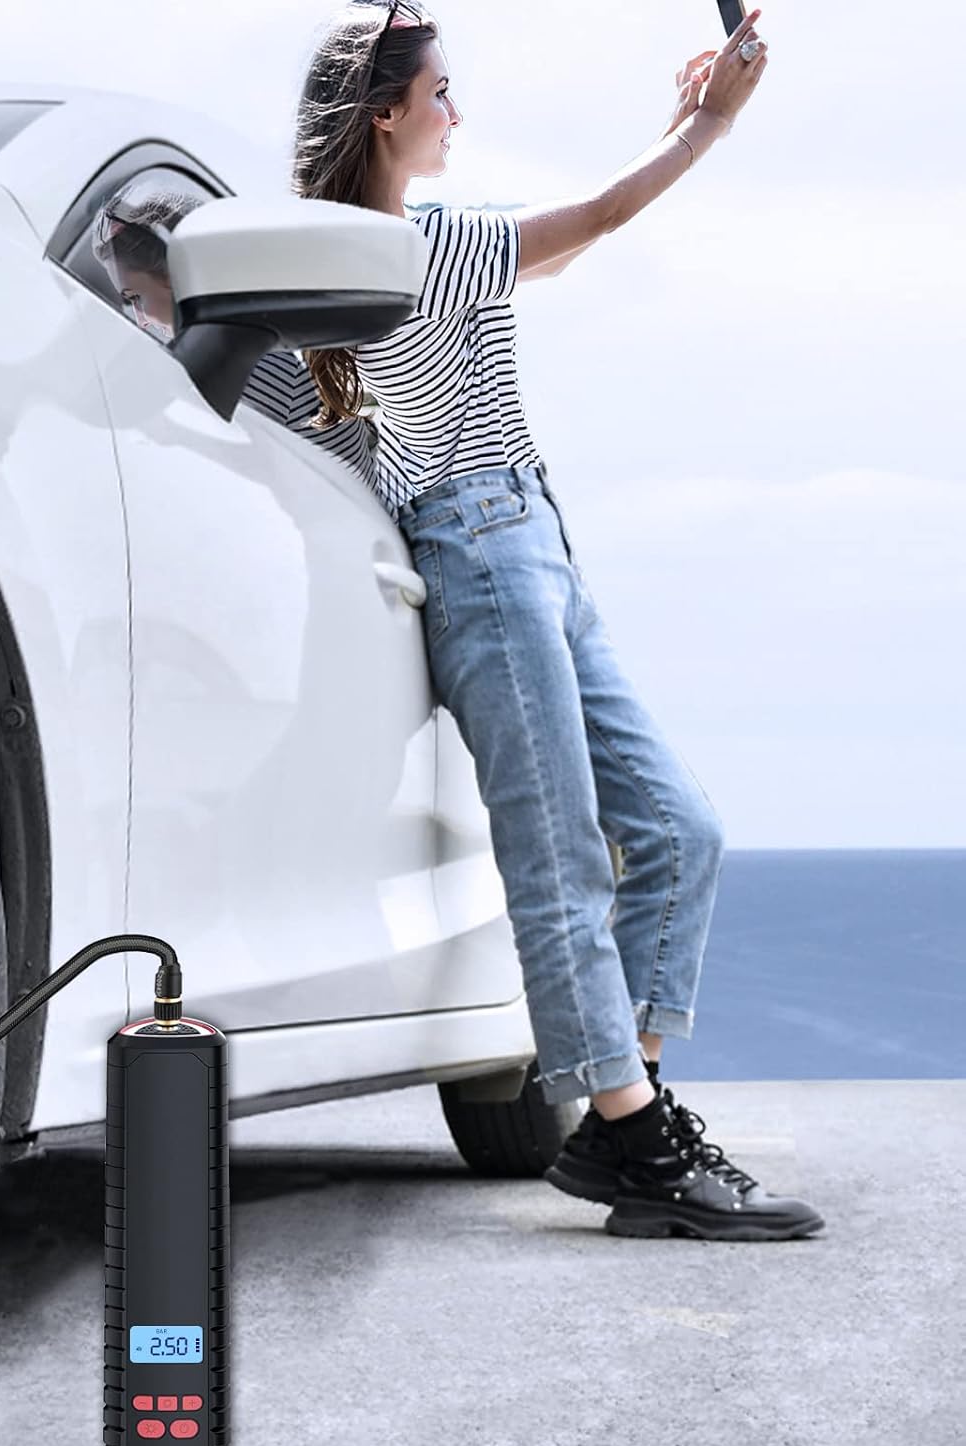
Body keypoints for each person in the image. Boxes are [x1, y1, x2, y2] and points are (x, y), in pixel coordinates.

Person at [291, 1, 823, 1240]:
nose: (455, 113)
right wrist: (709, 125)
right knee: (562, 860)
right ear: (385, 116)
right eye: (438, 96)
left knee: (679, 831)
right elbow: (600, 221)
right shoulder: (403, 251)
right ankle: (638, 1143)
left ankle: (616, 1121)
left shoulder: (415, 245)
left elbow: (561, 252)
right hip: (479, 553)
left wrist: (681, 118)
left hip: (534, 539)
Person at [89, 182, 380, 486]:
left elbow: (214, 484)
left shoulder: (250, 355)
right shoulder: (249, 320)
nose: (141, 320)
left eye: (135, 297)